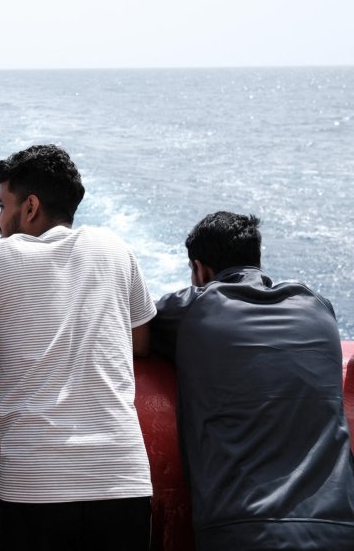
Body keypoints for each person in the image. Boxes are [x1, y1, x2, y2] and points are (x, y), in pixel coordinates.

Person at [0, 144, 154, 551]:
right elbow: (141, 341)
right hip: (121, 477)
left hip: (34, 484)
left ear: (30, 207)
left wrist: (8, 325)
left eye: (2, 205)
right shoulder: (116, 248)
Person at [150, 211, 354, 549]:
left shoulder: (193, 308)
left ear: (200, 270)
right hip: (339, 529)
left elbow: (134, 328)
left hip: (243, 530)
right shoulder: (319, 308)